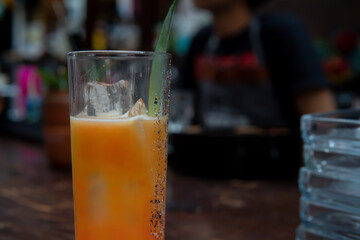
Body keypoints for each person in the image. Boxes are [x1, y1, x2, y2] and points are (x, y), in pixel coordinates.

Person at [181, 0, 336, 129]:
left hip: (275, 160)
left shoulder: (280, 32)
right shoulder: (201, 41)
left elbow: (322, 120)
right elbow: (183, 108)